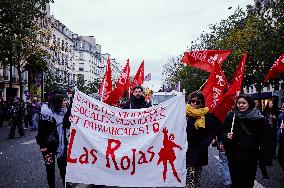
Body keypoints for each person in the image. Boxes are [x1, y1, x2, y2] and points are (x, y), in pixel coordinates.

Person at [223, 94, 272, 188]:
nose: (241, 105)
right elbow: (223, 131)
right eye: (239, 103)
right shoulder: (231, 116)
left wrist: (264, 158)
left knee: (248, 181)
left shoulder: (259, 118)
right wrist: (227, 135)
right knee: (236, 181)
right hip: (234, 155)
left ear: (249, 104)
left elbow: (265, 139)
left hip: (251, 155)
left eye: (243, 103)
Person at [185, 91, 221, 188]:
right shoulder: (185, 113)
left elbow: (213, 130)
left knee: (197, 171)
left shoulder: (207, 114)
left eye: (198, 101)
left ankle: (195, 185)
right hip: (188, 146)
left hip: (201, 146)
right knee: (190, 171)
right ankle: (190, 186)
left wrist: (206, 143)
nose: (195, 103)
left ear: (202, 102)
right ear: (190, 102)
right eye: (193, 101)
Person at [36, 94, 68, 188]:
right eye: (63, 100)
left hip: (61, 146)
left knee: (64, 169)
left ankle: (66, 185)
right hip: (48, 147)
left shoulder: (64, 112)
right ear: (57, 103)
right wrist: (42, 145)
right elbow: (41, 131)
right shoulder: (45, 114)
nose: (65, 102)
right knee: (50, 170)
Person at [277, 103, 284, 171]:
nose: (282, 108)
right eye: (282, 107)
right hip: (282, 139)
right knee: (280, 157)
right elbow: (278, 127)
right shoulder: (281, 116)